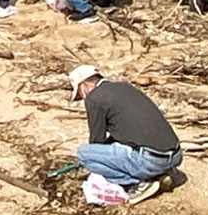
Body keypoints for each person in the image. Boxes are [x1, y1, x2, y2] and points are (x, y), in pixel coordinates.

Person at [69, 65, 182, 202]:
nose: (83, 98)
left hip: (149, 159)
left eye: (80, 94)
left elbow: (96, 142)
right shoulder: (125, 87)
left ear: (84, 85)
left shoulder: (94, 98)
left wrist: (91, 165)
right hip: (175, 155)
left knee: (84, 154)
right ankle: (159, 173)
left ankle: (139, 183)